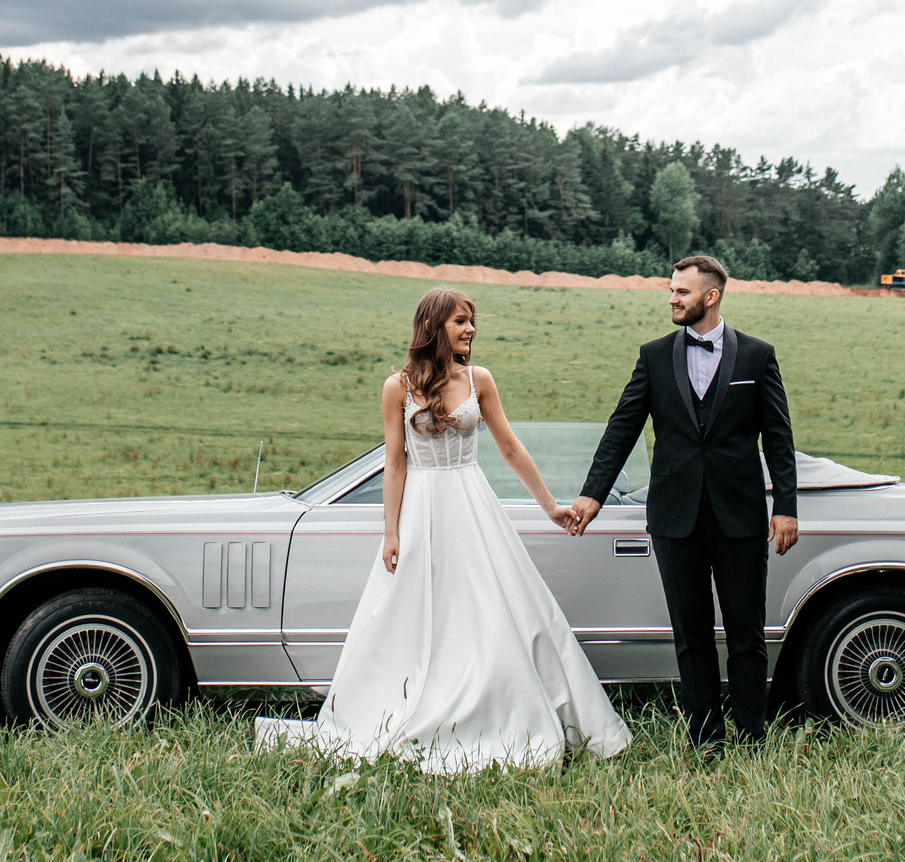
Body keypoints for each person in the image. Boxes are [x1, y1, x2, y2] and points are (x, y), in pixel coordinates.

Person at [262, 287, 630, 773]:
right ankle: (406, 706)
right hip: (422, 511)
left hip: (473, 507)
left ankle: (500, 708)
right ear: (434, 326)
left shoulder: (480, 379)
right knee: (413, 614)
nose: (471, 330)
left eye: (472, 321)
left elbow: (510, 448)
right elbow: (395, 464)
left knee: (495, 607)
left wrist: (550, 507)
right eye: (461, 321)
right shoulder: (397, 386)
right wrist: (390, 533)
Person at [563, 254, 797, 752]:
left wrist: (786, 507)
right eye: (671, 290)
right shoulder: (653, 356)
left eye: (681, 292)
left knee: (746, 634)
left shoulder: (757, 356)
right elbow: (622, 428)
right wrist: (591, 494)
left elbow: (778, 436)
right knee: (690, 635)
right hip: (675, 517)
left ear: (710, 297)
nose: (672, 299)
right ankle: (705, 739)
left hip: (741, 517)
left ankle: (753, 736)